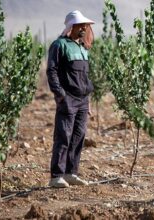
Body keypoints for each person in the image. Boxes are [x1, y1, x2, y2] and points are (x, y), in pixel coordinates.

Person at [47, 10, 95, 188]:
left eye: (85, 26)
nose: (84, 28)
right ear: (71, 26)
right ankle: (56, 176)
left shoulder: (82, 47)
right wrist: (60, 95)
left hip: (82, 100)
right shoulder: (59, 45)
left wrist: (87, 99)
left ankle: (71, 173)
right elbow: (51, 71)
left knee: (78, 136)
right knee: (63, 136)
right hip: (68, 98)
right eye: (80, 25)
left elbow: (84, 77)